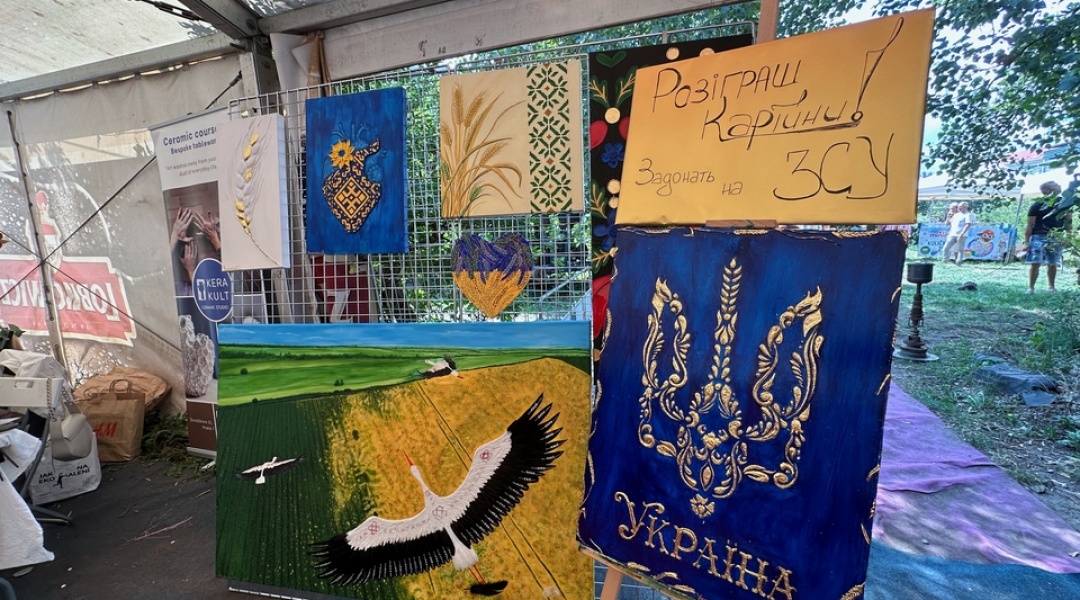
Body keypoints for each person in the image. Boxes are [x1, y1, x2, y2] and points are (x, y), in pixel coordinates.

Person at [1025, 181, 1072, 293]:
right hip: (1038, 236)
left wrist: (1068, 238)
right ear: (1045, 190)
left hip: (1056, 236)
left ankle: (1051, 287)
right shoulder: (1037, 205)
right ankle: (1031, 288)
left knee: (1052, 263)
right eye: (1055, 186)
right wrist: (1026, 242)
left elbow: (1068, 223)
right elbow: (1030, 225)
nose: (1059, 186)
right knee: (1035, 262)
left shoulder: (1065, 204)